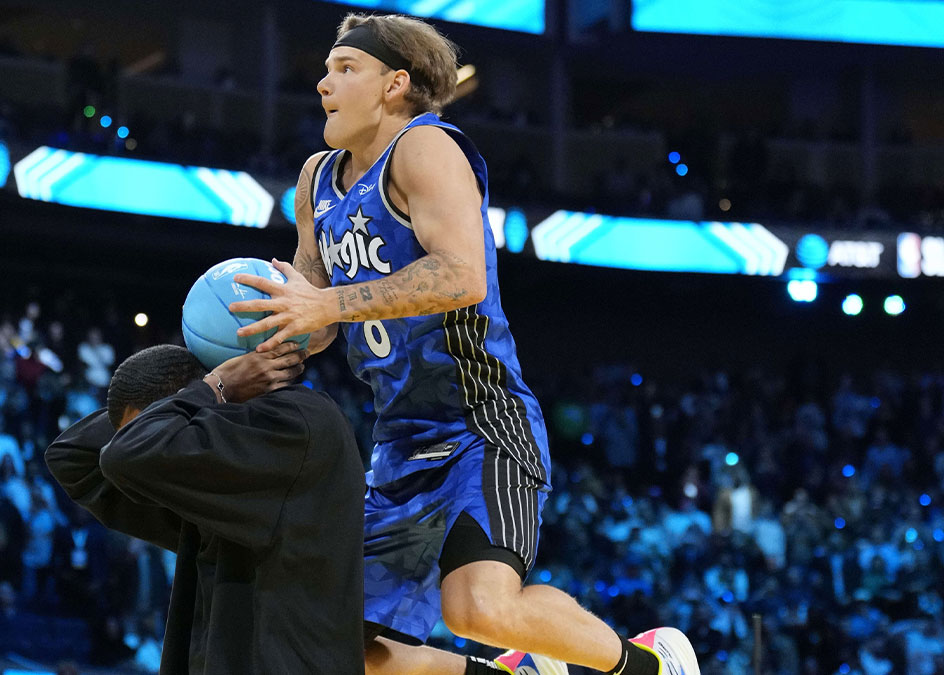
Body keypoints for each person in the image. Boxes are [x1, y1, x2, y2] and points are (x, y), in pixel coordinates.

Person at [230, 13, 700, 675]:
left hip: (482, 420)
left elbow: (460, 273)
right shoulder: (316, 179)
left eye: (345, 69)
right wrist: (249, 351)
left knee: (477, 609)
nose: (322, 83)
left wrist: (324, 301)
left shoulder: (426, 148)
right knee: (345, 646)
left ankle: (649, 667)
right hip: (398, 442)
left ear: (395, 84)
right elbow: (316, 319)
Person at [45, 342, 366, 673]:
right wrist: (205, 389)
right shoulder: (207, 480)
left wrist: (211, 389)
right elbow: (70, 457)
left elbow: (124, 454)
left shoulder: (296, 422)